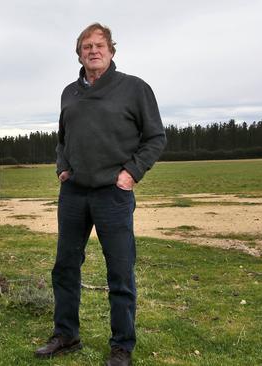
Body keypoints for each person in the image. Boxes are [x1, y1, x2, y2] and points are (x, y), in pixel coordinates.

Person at [34, 23, 166, 365]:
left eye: (99, 45)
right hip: (75, 193)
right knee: (65, 266)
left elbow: (155, 137)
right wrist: (62, 168)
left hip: (113, 194)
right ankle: (66, 335)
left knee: (120, 270)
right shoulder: (69, 93)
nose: (93, 51)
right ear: (79, 53)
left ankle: (122, 346)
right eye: (86, 46)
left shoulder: (134, 89)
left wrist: (131, 173)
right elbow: (62, 139)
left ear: (111, 51)